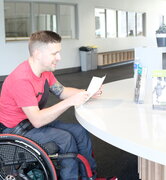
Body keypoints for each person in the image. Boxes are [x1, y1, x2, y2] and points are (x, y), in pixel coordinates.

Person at [0, 30, 103, 180]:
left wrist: (87, 93)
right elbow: (37, 120)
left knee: (80, 131)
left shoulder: (44, 71)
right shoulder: (21, 79)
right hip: (16, 129)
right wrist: (70, 102)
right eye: (54, 54)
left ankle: (89, 175)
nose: (59, 58)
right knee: (65, 139)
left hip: (30, 123)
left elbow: (61, 91)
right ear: (37, 53)